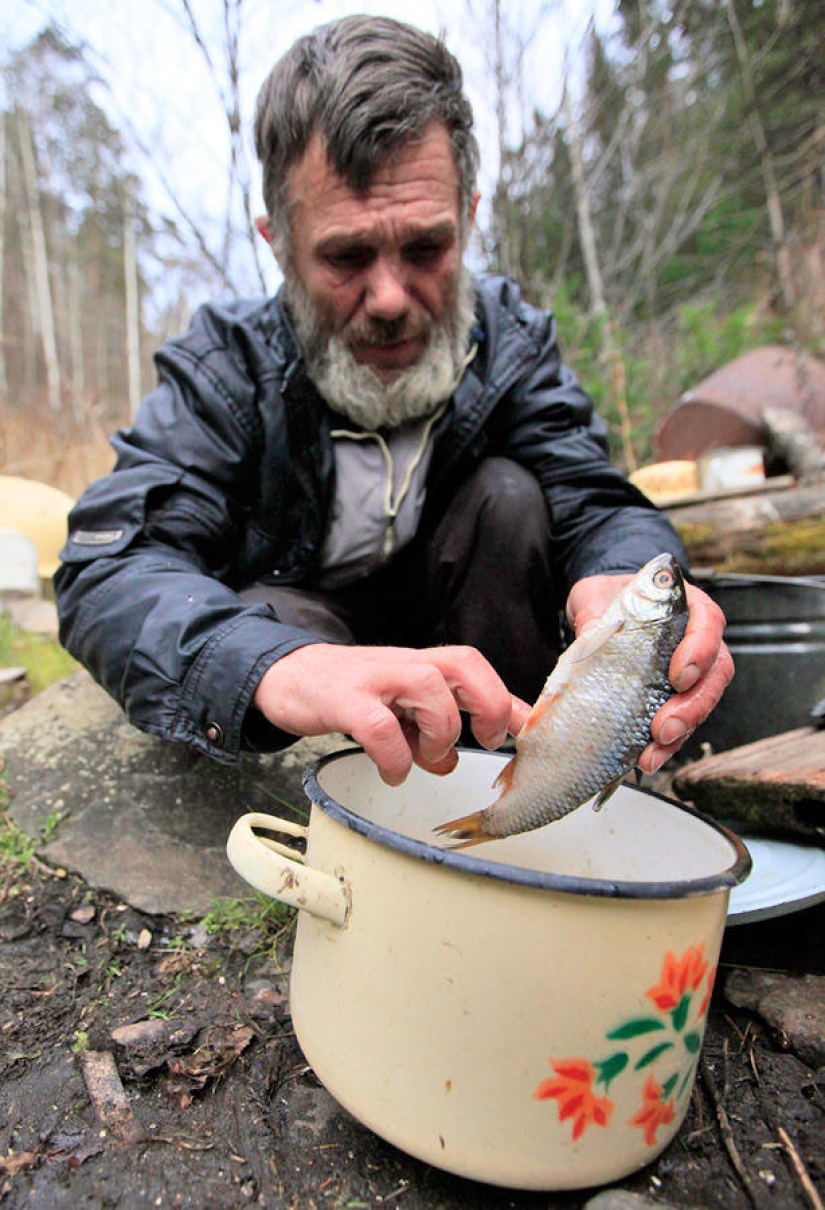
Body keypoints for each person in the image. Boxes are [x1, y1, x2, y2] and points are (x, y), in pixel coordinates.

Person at [55, 15, 732, 790]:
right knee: (271, 615)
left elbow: (592, 498)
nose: (388, 297)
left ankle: (526, 782)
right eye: (345, 256)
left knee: (511, 497)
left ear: (469, 217)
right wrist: (274, 667)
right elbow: (109, 568)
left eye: (424, 249)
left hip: (481, 664)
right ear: (276, 241)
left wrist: (625, 582)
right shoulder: (227, 366)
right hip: (308, 649)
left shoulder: (507, 341)